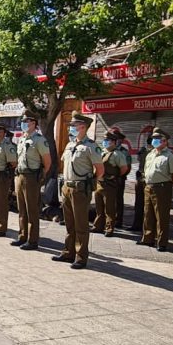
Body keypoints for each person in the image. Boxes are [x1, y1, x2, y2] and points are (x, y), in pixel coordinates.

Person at [53, 112, 104, 269]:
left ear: (83, 127)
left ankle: (81, 257)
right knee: (69, 223)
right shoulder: (70, 145)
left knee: (81, 224)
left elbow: (100, 170)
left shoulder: (91, 146)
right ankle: (68, 252)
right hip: (67, 187)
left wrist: (90, 183)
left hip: (81, 189)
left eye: (74, 126)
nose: (71, 128)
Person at [12, 110, 52, 251]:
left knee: (32, 210)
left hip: (32, 177)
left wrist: (39, 177)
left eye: (27, 121)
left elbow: (47, 162)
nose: (24, 124)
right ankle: (22, 236)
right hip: (20, 176)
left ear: (34, 123)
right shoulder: (22, 139)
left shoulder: (39, 140)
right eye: (23, 122)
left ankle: (32, 240)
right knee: (21, 209)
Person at [138, 127, 173, 251]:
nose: (154, 141)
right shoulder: (150, 154)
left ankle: (161, 242)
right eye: (153, 139)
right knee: (148, 214)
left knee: (161, 216)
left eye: (158, 139)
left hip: (162, 187)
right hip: (148, 186)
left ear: (165, 141)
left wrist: (166, 184)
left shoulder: (171, 156)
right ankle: (148, 238)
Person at [93, 131, 129, 237]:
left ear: (114, 142)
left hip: (109, 184)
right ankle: (98, 226)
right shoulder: (101, 152)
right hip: (99, 182)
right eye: (104, 140)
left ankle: (109, 228)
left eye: (107, 140)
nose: (105, 142)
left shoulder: (118, 154)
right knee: (99, 207)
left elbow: (124, 169)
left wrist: (114, 176)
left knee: (109, 208)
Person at [129, 137, 152, 231]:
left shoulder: (156, 153)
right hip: (140, 179)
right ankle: (137, 225)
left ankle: (147, 227)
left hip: (148, 181)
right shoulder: (143, 150)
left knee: (148, 206)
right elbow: (138, 159)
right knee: (138, 204)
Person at [109, 128, 129, 228]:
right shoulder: (107, 150)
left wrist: (118, 176)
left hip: (118, 179)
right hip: (107, 179)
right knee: (108, 200)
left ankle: (118, 220)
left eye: (115, 139)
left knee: (117, 200)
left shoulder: (123, 151)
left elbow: (126, 167)